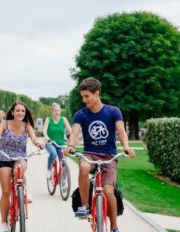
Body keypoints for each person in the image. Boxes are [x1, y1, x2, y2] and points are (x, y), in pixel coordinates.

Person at [65, 77, 135, 232]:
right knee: (83, 167)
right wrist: (71, 145)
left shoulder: (113, 111)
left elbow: (121, 131)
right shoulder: (81, 114)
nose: (84, 100)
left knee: (109, 191)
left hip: (109, 156)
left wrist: (126, 146)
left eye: (87, 96)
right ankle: (85, 206)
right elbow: (75, 133)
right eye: (82, 96)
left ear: (97, 94)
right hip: (89, 154)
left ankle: (114, 227)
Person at [0, 102, 44, 232]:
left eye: (23, 111)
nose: (20, 113)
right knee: (6, 192)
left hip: (20, 157)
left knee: (18, 170)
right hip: (4, 157)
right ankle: (3, 222)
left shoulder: (27, 125)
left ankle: (23, 192)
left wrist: (38, 143)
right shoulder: (4, 123)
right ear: (13, 112)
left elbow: (33, 138)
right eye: (18, 111)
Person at [42, 103, 72, 178]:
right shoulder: (48, 119)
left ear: (60, 111)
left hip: (60, 144)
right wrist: (46, 136)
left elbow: (70, 130)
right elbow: (44, 130)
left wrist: (72, 137)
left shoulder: (64, 119)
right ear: (52, 111)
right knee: (53, 153)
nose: (57, 112)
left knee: (63, 161)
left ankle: (64, 180)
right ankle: (49, 169)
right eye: (55, 110)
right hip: (50, 143)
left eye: (58, 110)